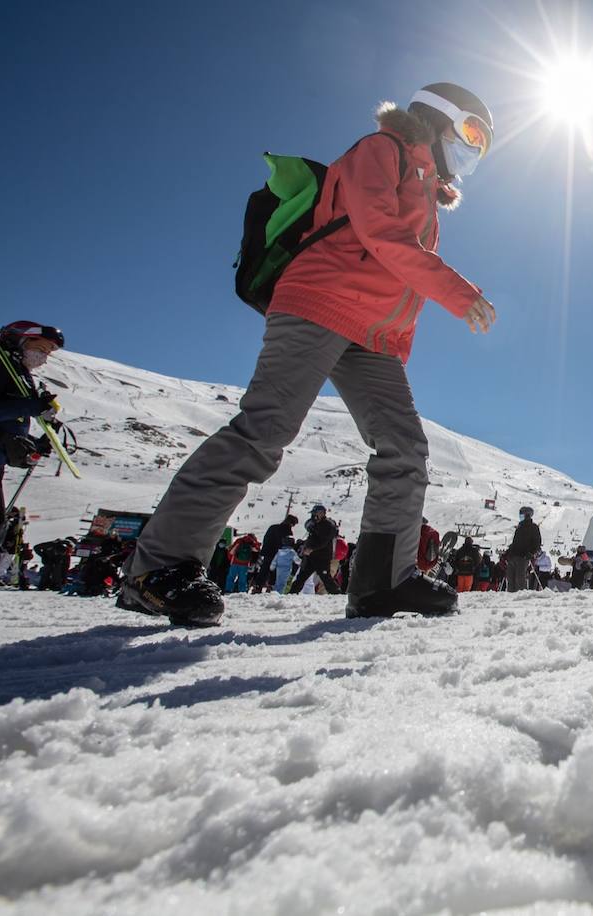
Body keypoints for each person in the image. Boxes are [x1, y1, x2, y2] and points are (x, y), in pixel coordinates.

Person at [118, 81, 498, 626]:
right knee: (265, 430)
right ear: (436, 117)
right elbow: (379, 232)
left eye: (481, 144)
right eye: (469, 131)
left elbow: (397, 270)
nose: (471, 148)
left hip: (372, 335)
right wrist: (460, 295)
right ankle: (157, 570)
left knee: (405, 447)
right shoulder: (381, 151)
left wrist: (398, 334)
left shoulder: (428, 188)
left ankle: (382, 583)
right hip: (319, 302)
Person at [0, 322, 62, 568]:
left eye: (48, 353)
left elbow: (8, 429)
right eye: (41, 348)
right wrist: (32, 406)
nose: (43, 357)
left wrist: (34, 446)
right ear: (21, 341)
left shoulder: (19, 377)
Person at [290, 505, 341, 594]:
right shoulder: (315, 524)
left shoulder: (328, 525)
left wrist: (312, 548)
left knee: (326, 578)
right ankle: (291, 594)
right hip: (310, 556)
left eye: (315, 514)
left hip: (322, 557)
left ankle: (337, 595)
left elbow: (324, 541)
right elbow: (312, 538)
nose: (313, 516)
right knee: (301, 577)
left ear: (322, 513)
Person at [253, 514, 297, 592]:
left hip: (267, 552)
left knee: (264, 569)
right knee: (275, 571)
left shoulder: (273, 527)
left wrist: (264, 550)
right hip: (279, 554)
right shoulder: (287, 531)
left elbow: (266, 538)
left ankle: (258, 586)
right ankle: (271, 586)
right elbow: (288, 544)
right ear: (291, 523)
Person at [505, 507, 542, 592]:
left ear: (527, 515)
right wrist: (509, 552)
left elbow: (537, 543)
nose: (520, 516)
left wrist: (531, 553)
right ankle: (510, 597)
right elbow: (515, 542)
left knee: (520, 579)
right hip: (513, 556)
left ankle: (520, 598)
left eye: (522, 515)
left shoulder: (533, 527)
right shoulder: (519, 527)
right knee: (510, 578)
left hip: (523, 557)